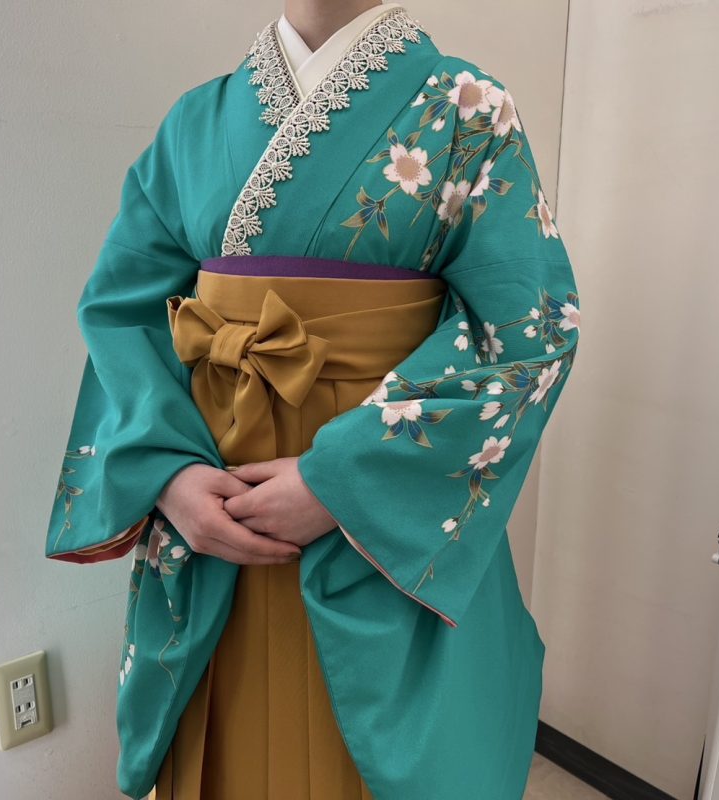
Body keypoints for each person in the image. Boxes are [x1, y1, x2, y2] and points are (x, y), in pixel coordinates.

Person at [45, 2, 582, 798]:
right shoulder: (195, 122)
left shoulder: (470, 111)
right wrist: (167, 473)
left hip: (374, 516)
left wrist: (341, 481)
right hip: (213, 506)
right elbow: (124, 311)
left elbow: (528, 330)